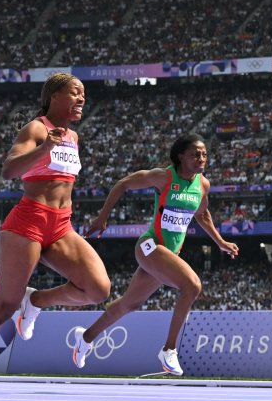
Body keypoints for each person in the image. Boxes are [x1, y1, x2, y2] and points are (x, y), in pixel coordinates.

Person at [0, 73, 111, 401]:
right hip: (26, 223)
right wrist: (46, 148)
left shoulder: (74, 137)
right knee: (4, 306)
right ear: (54, 96)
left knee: (98, 289)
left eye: (84, 93)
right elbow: (9, 170)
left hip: (60, 225)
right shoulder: (37, 129)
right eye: (75, 92)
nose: (82, 98)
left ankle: (36, 300)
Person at [76, 133, 239, 375]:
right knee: (192, 286)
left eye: (204, 154)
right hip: (150, 246)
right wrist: (102, 217)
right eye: (195, 154)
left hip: (167, 253)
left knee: (129, 305)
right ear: (181, 156)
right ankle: (169, 349)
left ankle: (86, 338)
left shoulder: (202, 184)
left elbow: (202, 215)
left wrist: (220, 241)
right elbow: (123, 184)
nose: (201, 158)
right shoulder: (163, 177)